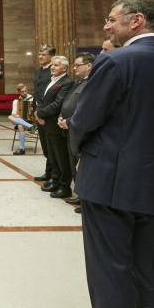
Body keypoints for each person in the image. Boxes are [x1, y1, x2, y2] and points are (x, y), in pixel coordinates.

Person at [69, 0, 154, 308]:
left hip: (109, 179)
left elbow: (84, 119)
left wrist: (81, 155)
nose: (106, 25)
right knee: (148, 268)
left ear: (136, 20)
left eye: (112, 19)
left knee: (110, 272)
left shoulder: (117, 61)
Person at [58, 52, 96, 212]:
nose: (74, 68)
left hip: (78, 128)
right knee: (74, 164)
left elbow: (87, 109)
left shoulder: (92, 83)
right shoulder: (80, 82)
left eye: (77, 65)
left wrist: (69, 121)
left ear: (89, 66)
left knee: (82, 167)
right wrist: (62, 117)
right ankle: (80, 195)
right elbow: (68, 101)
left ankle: (86, 200)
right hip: (70, 128)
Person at [34, 56, 74, 198]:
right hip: (46, 122)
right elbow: (43, 100)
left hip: (55, 124)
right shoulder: (52, 80)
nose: (52, 67)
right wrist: (38, 113)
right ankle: (55, 180)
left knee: (60, 156)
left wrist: (40, 113)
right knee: (52, 155)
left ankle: (64, 185)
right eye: (52, 65)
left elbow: (58, 104)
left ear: (64, 68)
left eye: (56, 65)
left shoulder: (67, 82)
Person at [33, 44, 55, 181]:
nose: (40, 57)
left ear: (51, 56)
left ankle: (53, 174)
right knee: (45, 147)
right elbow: (36, 92)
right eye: (39, 54)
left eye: (44, 54)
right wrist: (35, 111)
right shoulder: (39, 71)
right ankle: (49, 172)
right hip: (38, 113)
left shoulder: (52, 73)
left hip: (48, 114)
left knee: (52, 147)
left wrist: (42, 112)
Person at [8, 83, 35, 155]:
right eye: (22, 92)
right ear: (19, 92)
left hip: (31, 120)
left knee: (20, 126)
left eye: (25, 91)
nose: (25, 93)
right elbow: (13, 113)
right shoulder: (16, 101)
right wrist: (16, 115)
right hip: (21, 120)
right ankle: (31, 127)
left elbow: (38, 112)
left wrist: (33, 109)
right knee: (10, 117)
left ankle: (21, 148)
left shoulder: (33, 99)